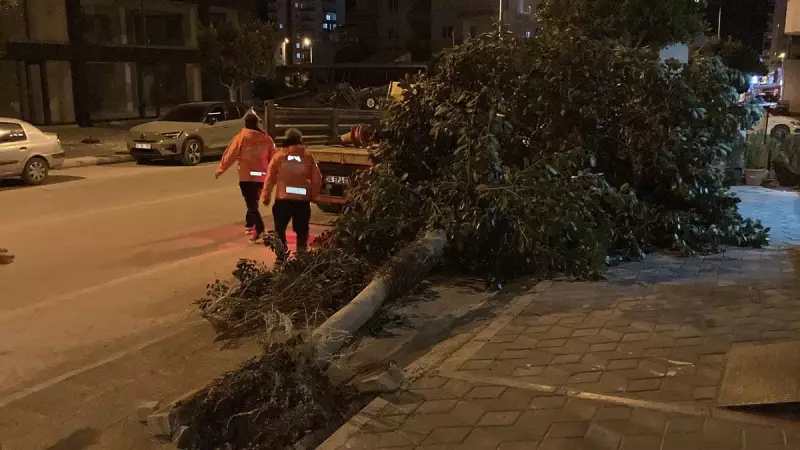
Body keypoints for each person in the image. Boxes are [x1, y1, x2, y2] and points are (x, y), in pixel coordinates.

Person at [216, 114, 276, 244]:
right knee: (253, 201)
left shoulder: (241, 138)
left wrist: (221, 169)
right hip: (261, 176)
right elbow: (274, 158)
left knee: (251, 204)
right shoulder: (267, 139)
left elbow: (230, 154)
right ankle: (249, 224)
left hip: (247, 176)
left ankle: (259, 229)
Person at [261, 128, 322, 256]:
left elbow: (270, 178)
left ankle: (281, 255)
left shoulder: (279, 156)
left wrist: (266, 196)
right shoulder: (307, 156)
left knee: (279, 229)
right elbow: (317, 179)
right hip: (302, 202)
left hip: (283, 200)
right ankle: (301, 254)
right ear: (300, 140)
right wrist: (315, 196)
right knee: (302, 230)